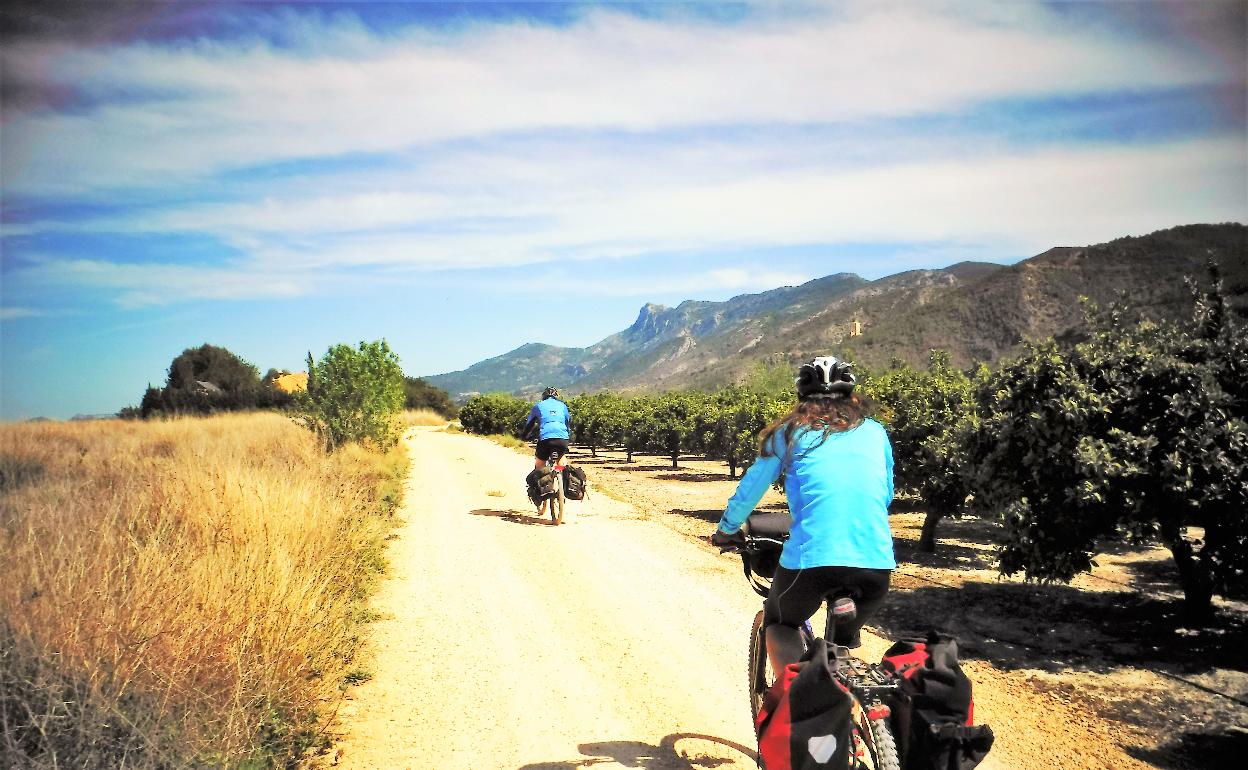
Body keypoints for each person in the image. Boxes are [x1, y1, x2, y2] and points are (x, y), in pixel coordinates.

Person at [711, 356, 894, 676]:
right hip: (875, 566)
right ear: (853, 398)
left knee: (780, 623)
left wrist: (726, 529)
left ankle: (799, 707)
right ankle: (850, 706)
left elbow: (752, 486)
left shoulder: (788, 432)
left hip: (813, 562)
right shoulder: (876, 433)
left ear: (802, 401)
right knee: (843, 642)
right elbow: (885, 494)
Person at [524, 386, 572, 470]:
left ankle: (539, 477)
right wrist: (568, 437)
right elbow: (567, 423)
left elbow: (529, 424)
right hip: (562, 438)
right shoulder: (563, 406)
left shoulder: (538, 406)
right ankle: (563, 476)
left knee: (540, 465)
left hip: (545, 439)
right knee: (561, 457)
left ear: (543, 396)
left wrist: (524, 436)